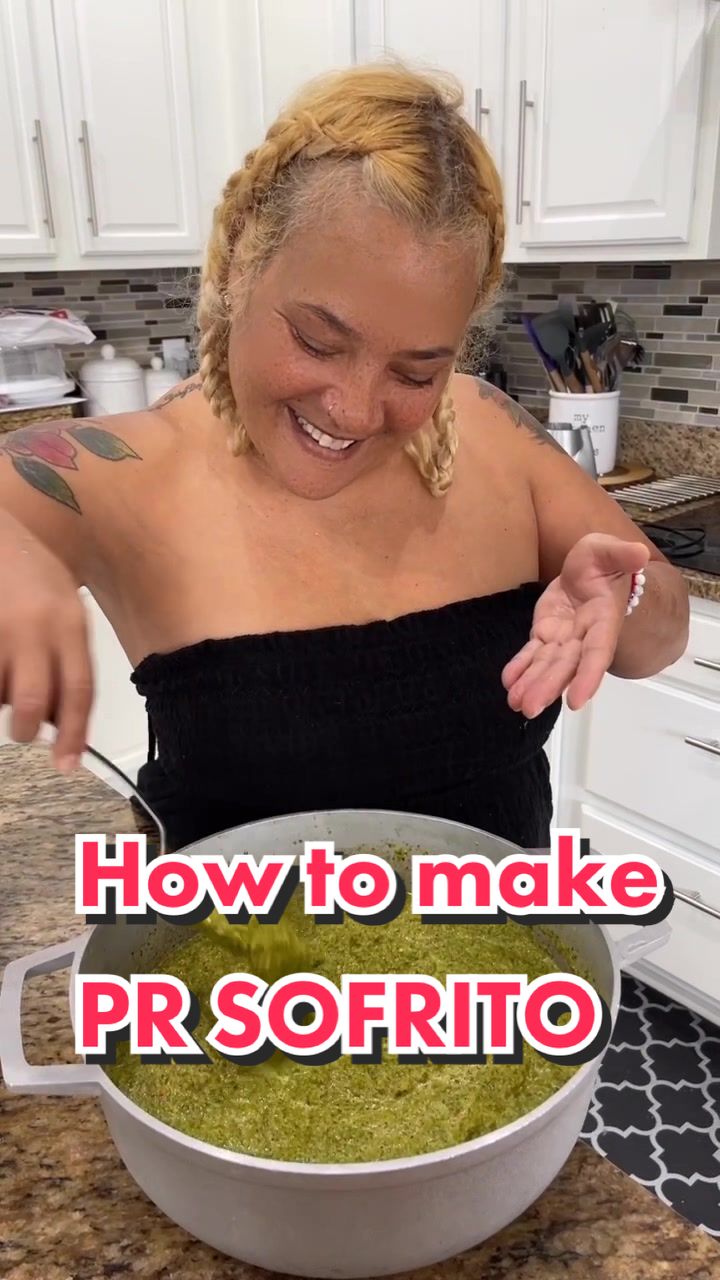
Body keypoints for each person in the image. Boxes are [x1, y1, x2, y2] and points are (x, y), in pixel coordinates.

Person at [0, 63, 688, 853]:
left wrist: (624, 602)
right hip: (237, 936)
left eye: (416, 372)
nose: (355, 412)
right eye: (318, 341)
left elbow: (659, 632)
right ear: (240, 266)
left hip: (502, 931)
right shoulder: (128, 470)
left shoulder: (493, 430)